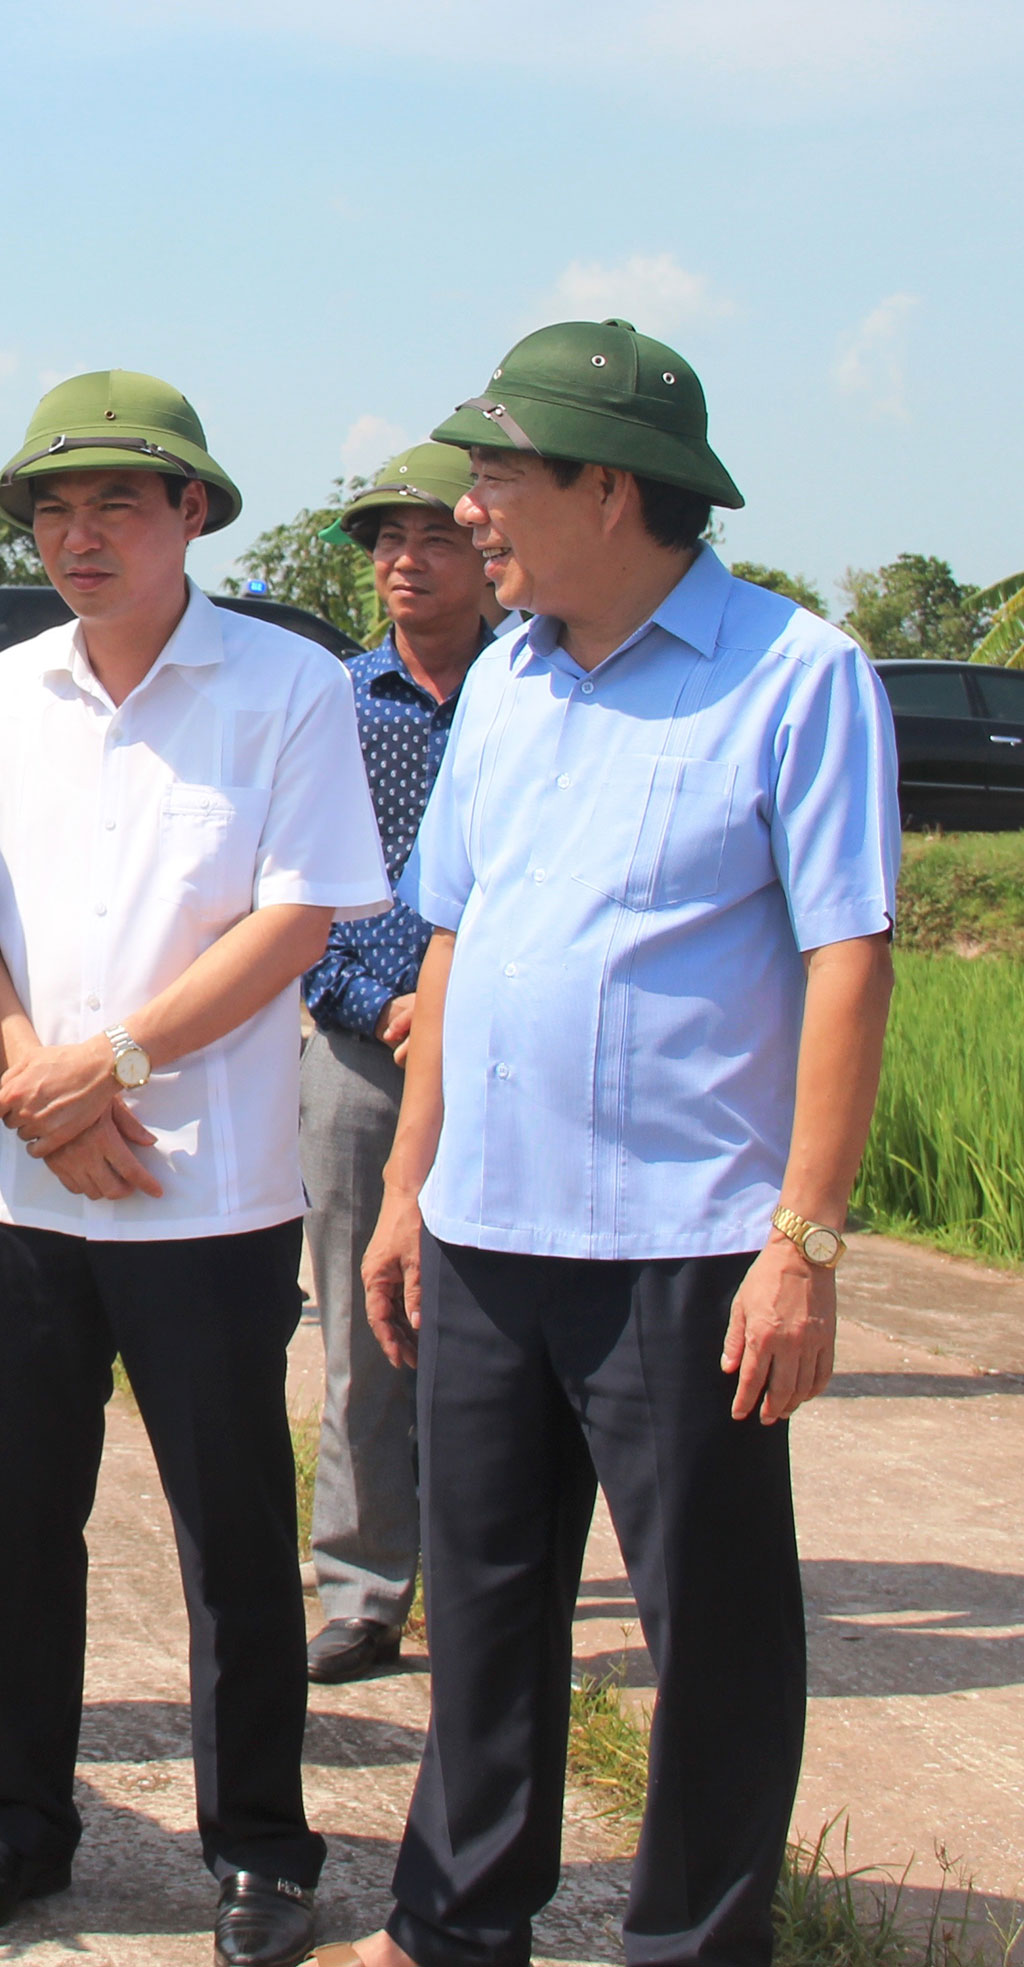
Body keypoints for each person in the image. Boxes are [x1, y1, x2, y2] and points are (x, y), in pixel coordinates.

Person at [322, 322, 899, 1967]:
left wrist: (805, 1243)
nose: (467, 511)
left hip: (687, 1245)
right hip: (488, 1234)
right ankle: (451, 1924)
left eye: (497, 475)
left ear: (610, 486)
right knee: (486, 1604)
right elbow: (455, 938)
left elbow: (850, 959)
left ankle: (695, 1942)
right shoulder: (507, 679)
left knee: (709, 1630)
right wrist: (411, 1188)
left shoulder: (797, 675)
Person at [0, 372, 387, 1966]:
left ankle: (258, 1843)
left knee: (232, 1534)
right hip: (12, 1190)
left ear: (193, 510)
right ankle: (12, 1826)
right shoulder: (1, 697)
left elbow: (298, 917)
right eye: (54, 508)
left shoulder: (285, 684)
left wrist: (107, 1062)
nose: (80, 535)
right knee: (12, 1524)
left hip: (211, 1192)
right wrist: (36, 1079)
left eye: (118, 501)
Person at [296, 445, 501, 1685]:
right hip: (362, 1048)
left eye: (433, 535)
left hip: (507, 1055)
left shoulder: (537, 691)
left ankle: (487, 1585)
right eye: (387, 539)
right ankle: (364, 1588)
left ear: (486, 547)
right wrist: (388, 1004)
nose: (405, 559)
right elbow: (296, 884)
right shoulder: (335, 701)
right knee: (360, 1332)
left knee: (499, 1339)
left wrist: (465, 1006)